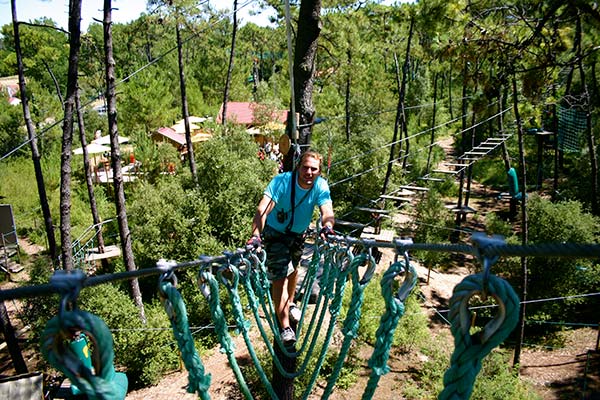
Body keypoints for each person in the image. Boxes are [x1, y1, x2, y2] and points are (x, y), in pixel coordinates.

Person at [249, 150, 335, 346]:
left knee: (293, 271)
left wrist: (328, 227)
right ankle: (285, 326)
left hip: (298, 235)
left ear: (319, 171)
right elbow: (263, 208)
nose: (309, 172)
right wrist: (255, 235)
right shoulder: (282, 182)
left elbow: (327, 210)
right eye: (305, 167)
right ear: (298, 167)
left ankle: (291, 302)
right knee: (279, 277)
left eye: (314, 169)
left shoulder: (320, 186)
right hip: (275, 234)